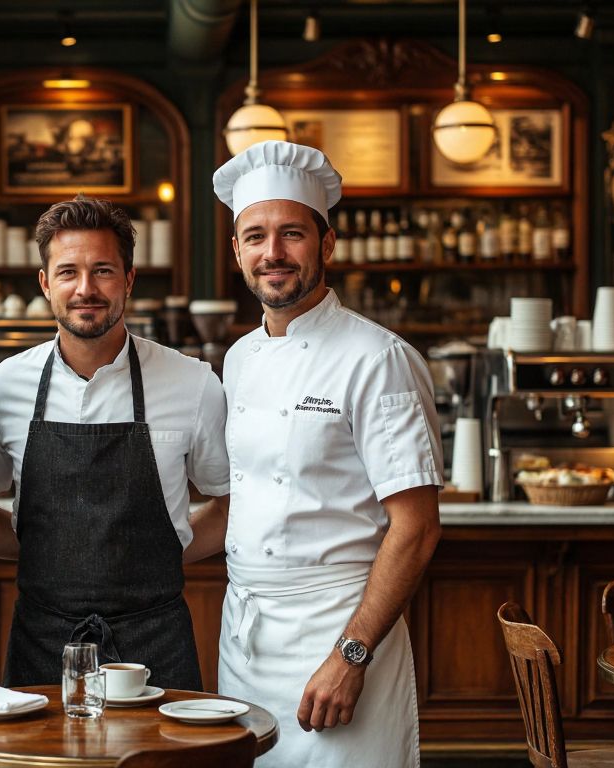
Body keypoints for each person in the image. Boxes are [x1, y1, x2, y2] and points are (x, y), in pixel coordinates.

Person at [211, 141, 443, 767]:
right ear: (237, 251)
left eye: (292, 233)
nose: (273, 253)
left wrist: (352, 655)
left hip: (339, 636)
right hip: (246, 640)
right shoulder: (238, 359)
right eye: (255, 236)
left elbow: (416, 528)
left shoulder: (378, 359)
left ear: (327, 244)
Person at [0, 197, 230, 691]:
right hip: (43, 642)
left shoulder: (193, 383)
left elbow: (229, 506)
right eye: (68, 271)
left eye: (103, 271)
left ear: (129, 279)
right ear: (45, 282)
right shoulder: (4, 385)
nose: (86, 289)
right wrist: (63, 558)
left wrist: (148, 557)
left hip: (156, 641)